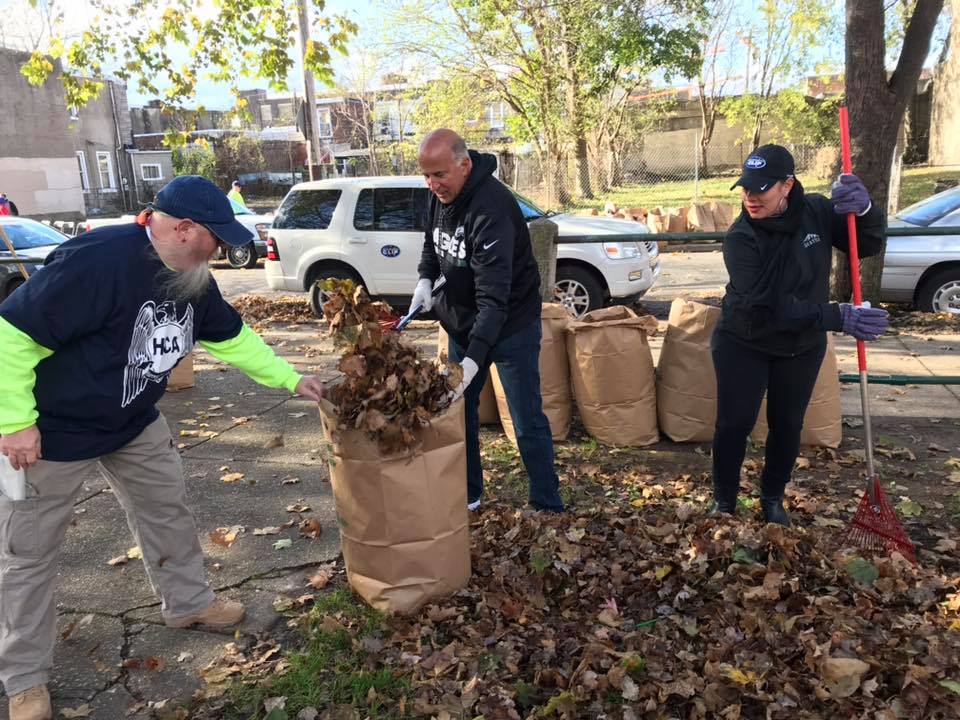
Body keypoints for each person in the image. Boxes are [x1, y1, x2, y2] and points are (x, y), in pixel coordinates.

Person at [0, 176, 324, 720]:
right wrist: (15, 422)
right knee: (28, 555)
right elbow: (11, 334)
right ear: (182, 228)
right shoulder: (98, 262)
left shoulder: (194, 276)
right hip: (55, 431)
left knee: (166, 508)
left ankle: (189, 604)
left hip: (132, 421)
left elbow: (231, 336)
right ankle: (24, 677)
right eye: (214, 237)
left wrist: (292, 379)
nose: (221, 248)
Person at [711, 144, 889, 526]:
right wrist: (837, 315)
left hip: (800, 345)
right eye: (745, 188)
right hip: (745, 341)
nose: (750, 197)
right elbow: (770, 305)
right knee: (734, 423)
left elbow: (867, 243)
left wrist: (867, 210)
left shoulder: (817, 212)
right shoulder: (740, 238)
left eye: (761, 188)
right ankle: (724, 502)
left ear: (787, 185)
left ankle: (772, 498)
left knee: (788, 424)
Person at [413, 129, 564, 513]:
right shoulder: (438, 196)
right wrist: (425, 279)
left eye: (440, 175)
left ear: (464, 165)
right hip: (463, 323)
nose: (433, 185)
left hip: (511, 323)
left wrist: (472, 359)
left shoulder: (492, 208)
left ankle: (547, 503)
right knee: (458, 413)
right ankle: (469, 496)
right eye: (426, 176)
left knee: (525, 417)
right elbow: (432, 243)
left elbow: (494, 300)